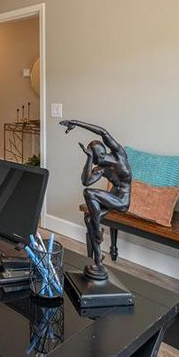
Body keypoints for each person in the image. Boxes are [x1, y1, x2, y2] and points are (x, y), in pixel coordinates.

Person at [60, 120, 132, 280]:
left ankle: (98, 232)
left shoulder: (119, 155)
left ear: (100, 154)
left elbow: (103, 132)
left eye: (93, 158)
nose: (94, 162)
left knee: (89, 194)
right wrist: (87, 159)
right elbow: (86, 180)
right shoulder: (101, 169)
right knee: (88, 218)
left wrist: (76, 123)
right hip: (112, 198)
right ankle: (98, 258)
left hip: (122, 201)